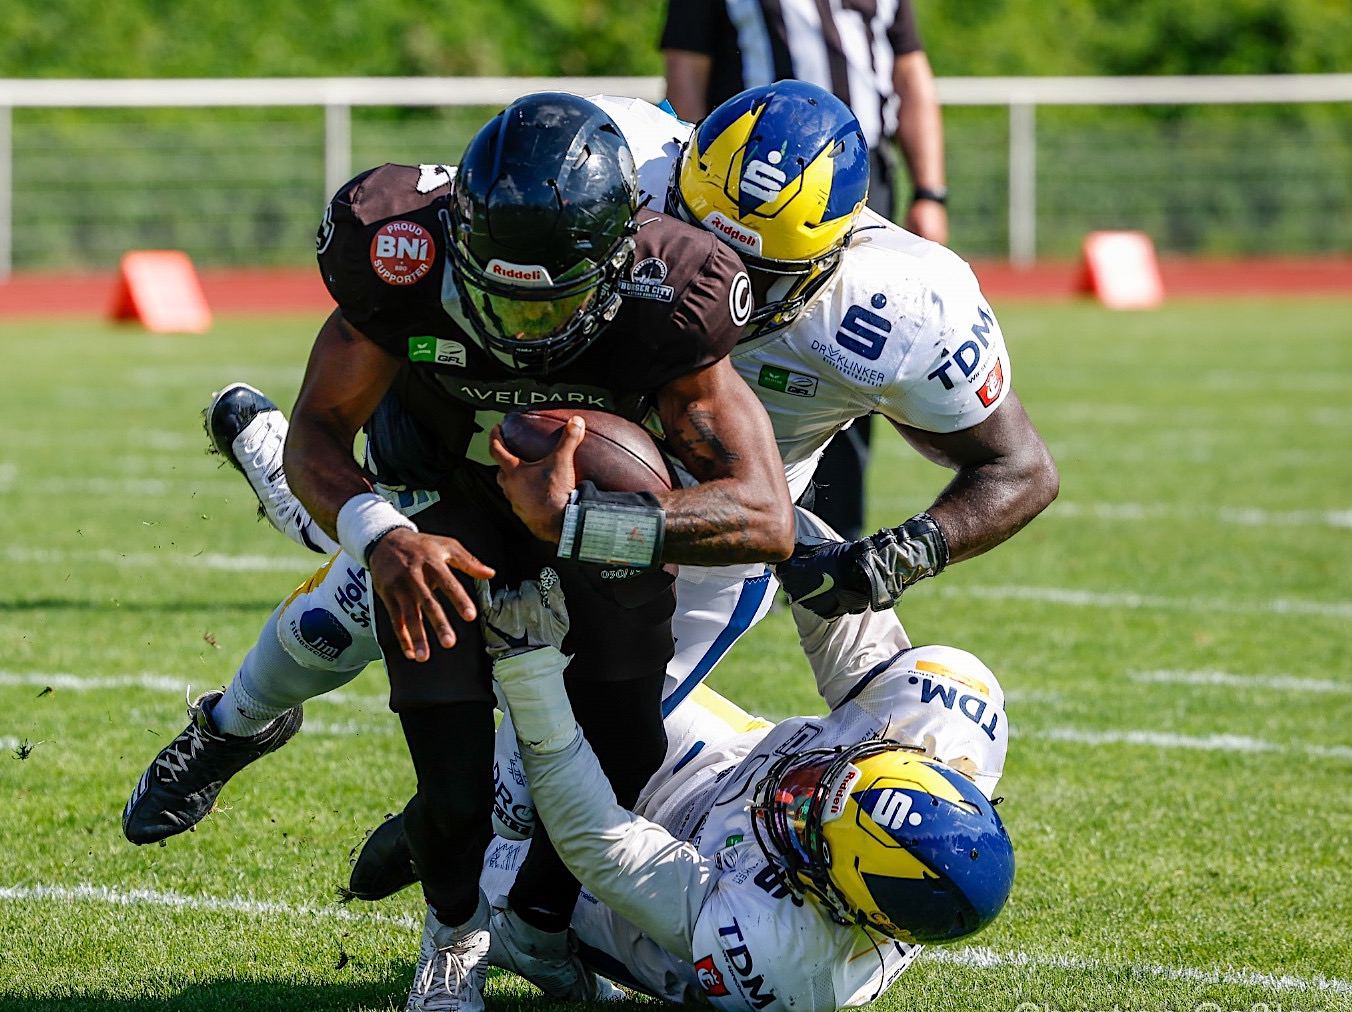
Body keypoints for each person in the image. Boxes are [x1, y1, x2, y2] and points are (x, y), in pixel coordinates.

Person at [123, 79, 1052, 896]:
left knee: (564, 774)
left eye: (757, 271)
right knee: (369, 598)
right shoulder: (610, 150)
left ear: (831, 256)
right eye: (687, 230)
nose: (716, 271)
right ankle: (238, 716)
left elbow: (1019, 467)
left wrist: (904, 553)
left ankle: (454, 845)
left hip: (696, 525)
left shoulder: (905, 306)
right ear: (674, 179)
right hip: (524, 435)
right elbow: (466, 229)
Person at [128, 91, 795, 1012]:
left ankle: (539, 921)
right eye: (500, 294)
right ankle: (450, 932)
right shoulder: (398, 250)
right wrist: (383, 533)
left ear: (618, 261)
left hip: (587, 511)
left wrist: (580, 523)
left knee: (628, 745)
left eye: (551, 302)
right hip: (435, 492)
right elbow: (321, 431)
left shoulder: (672, 293)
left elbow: (767, 517)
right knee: (444, 770)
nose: (522, 328)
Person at [414, 568, 1013, 1012]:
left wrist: (528, 669)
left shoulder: (785, 953)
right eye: (839, 770)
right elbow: (838, 603)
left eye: (808, 816)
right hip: (724, 770)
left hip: (685, 908)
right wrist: (796, 540)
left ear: (849, 905)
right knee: (589, 691)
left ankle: (539, 945)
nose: (802, 789)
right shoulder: (941, 717)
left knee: (491, 877)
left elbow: (596, 840)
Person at [662, 0, 950, 541]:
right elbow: (687, 69)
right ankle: (716, 525)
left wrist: (930, 189)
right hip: (737, 192)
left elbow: (909, 70)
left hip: (850, 190)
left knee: (851, 369)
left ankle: (828, 549)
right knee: (718, 359)